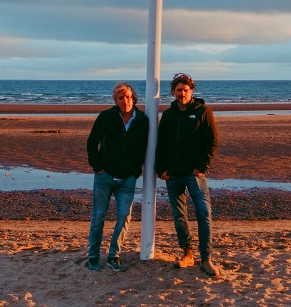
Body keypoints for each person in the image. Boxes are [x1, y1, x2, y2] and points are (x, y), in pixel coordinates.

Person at [155, 72, 220, 277]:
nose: (182, 93)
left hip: (194, 174)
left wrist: (201, 167)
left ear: (191, 91)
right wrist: (161, 169)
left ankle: (206, 258)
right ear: (173, 92)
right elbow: (161, 144)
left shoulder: (203, 112)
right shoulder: (168, 115)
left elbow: (212, 141)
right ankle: (187, 253)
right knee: (179, 216)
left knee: (204, 213)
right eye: (178, 90)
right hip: (173, 175)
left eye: (185, 90)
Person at [86, 82, 149, 272]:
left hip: (127, 179)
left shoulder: (142, 120)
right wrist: (97, 167)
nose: (125, 100)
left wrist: (135, 171)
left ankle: (114, 256)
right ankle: (94, 256)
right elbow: (92, 142)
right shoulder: (106, 117)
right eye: (121, 97)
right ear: (116, 100)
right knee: (98, 217)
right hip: (104, 177)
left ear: (134, 98)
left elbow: (143, 148)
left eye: (128, 97)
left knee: (124, 216)